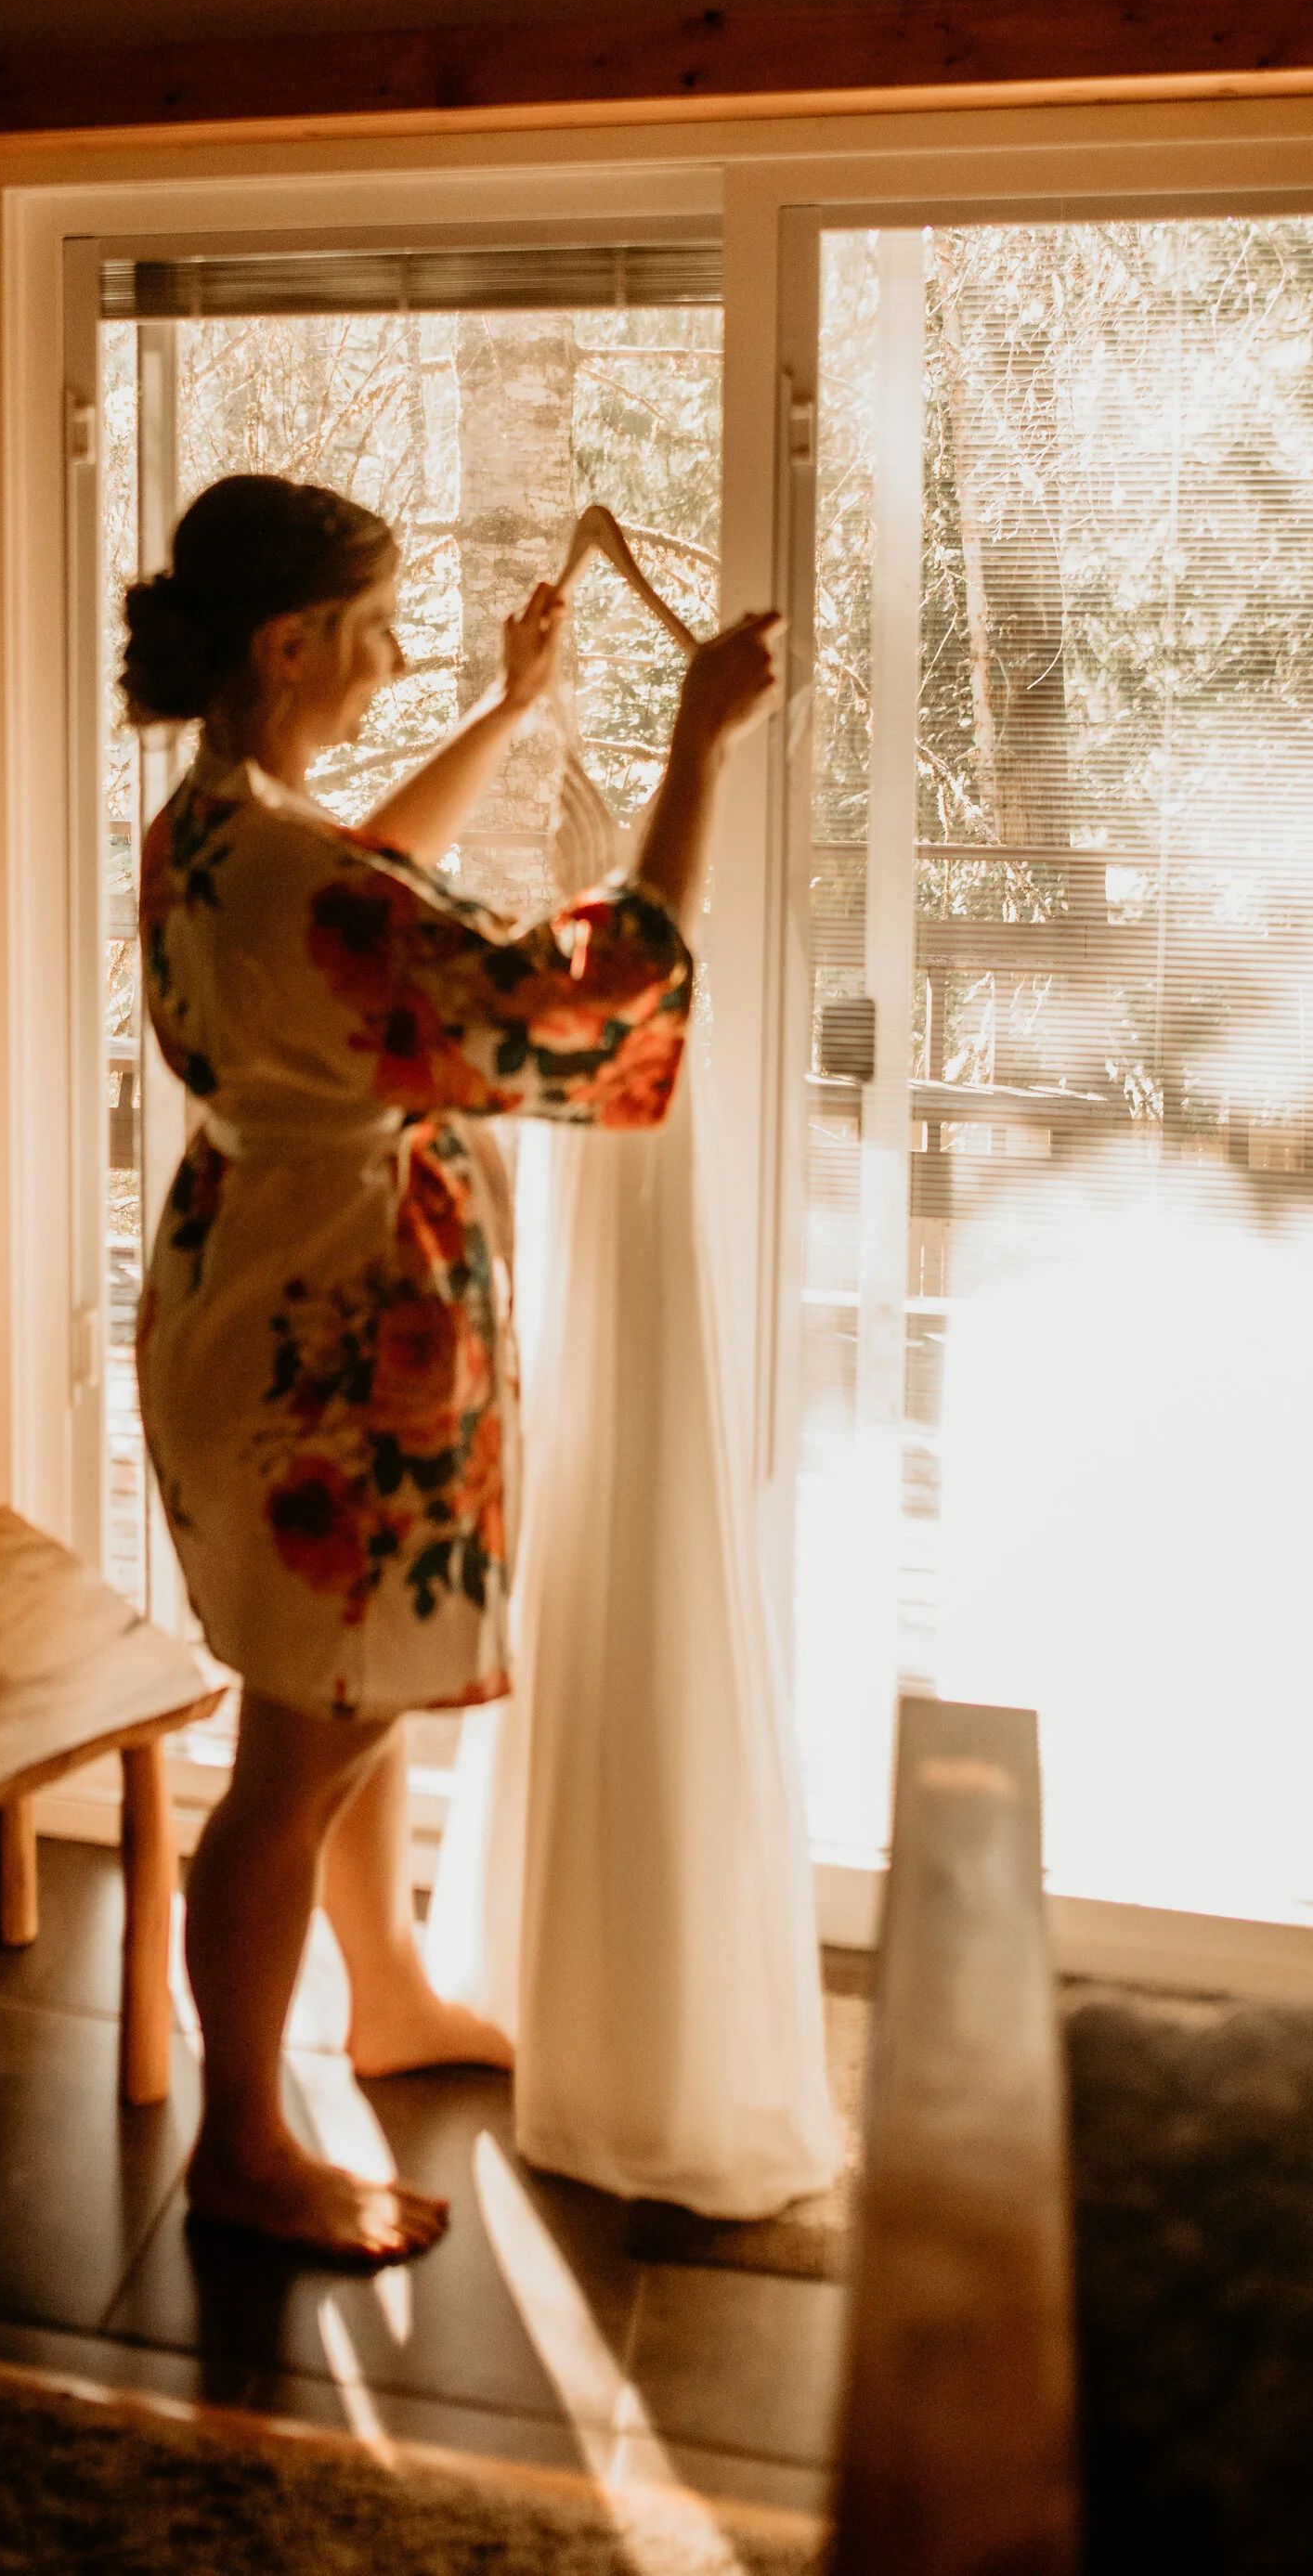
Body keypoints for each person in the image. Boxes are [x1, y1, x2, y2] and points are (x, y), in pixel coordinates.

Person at [125, 472, 781, 2267]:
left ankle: (390, 1990)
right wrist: (698, 745)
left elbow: (367, 878)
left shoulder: (217, 825)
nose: (393, 653)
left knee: (344, 1696)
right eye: (377, 627)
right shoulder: (281, 869)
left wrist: (508, 711)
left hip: (248, 1285)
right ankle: (243, 2145)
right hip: (324, 1339)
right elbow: (569, 1008)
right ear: (289, 644)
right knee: (298, 1745)